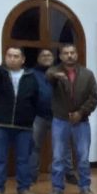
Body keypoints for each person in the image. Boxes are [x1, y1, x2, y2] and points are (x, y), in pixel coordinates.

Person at [0, 48, 41, 194]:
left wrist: (29, 117)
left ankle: (23, 188)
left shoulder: (31, 77)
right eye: (9, 56)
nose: (12, 59)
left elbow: (35, 100)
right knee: (0, 159)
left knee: (24, 159)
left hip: (23, 126)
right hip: (1, 123)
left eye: (16, 56)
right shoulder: (0, 73)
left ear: (23, 59)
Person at [48, 44, 97, 194]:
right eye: (66, 53)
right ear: (61, 56)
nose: (69, 56)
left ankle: (85, 187)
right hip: (60, 120)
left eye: (72, 53)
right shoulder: (55, 72)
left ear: (77, 55)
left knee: (83, 157)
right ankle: (57, 188)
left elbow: (93, 97)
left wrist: (81, 112)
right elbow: (48, 75)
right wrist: (56, 76)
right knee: (58, 156)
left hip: (81, 121)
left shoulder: (87, 74)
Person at [30, 49, 75, 185]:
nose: (46, 57)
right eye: (43, 55)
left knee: (65, 146)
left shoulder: (61, 72)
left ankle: (69, 174)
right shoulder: (32, 74)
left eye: (49, 55)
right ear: (37, 58)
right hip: (39, 116)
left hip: (59, 115)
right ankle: (32, 175)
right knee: (34, 146)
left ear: (53, 58)